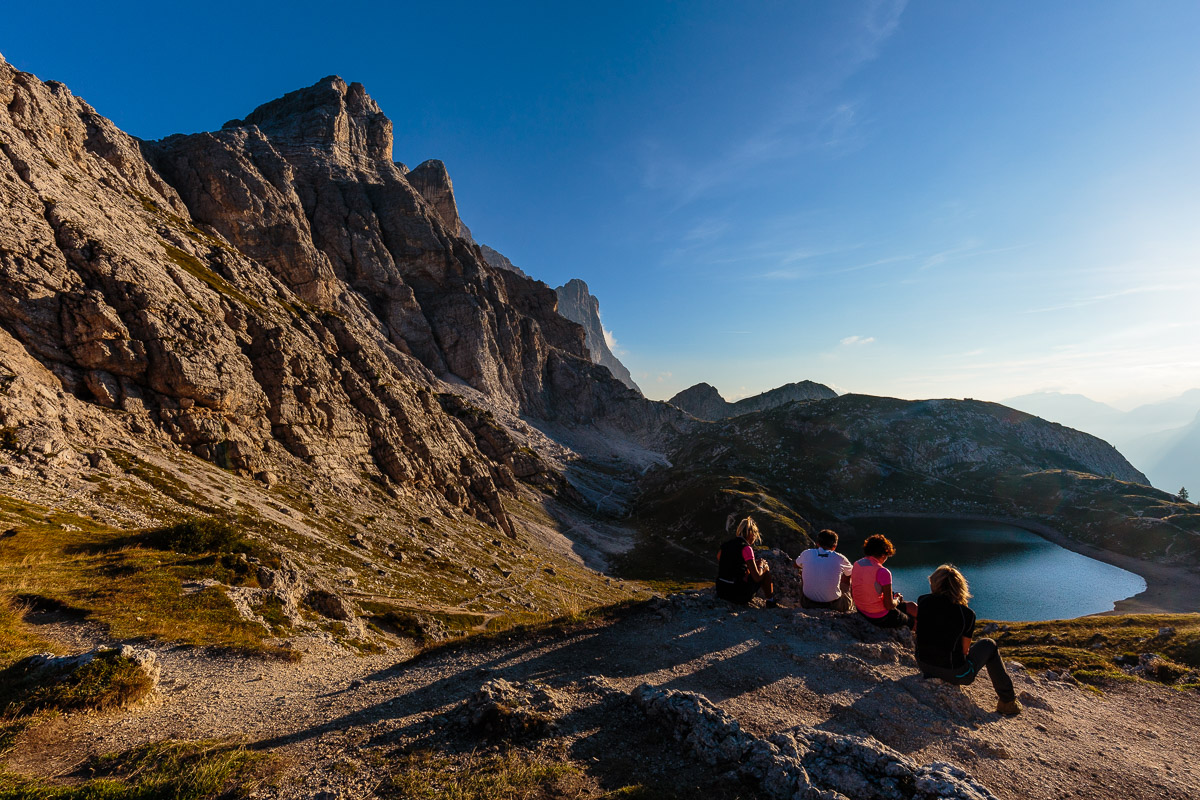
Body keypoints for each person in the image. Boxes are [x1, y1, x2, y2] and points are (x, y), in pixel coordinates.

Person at [915, 565, 1021, 716]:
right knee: (989, 644)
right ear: (960, 587)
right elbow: (965, 651)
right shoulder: (966, 614)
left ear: (935, 584)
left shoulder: (923, 601)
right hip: (955, 674)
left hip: (923, 664)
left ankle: (1007, 701)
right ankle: (1008, 702)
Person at [850, 534, 917, 629]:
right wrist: (897, 600)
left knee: (912, 606)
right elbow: (889, 605)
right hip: (879, 617)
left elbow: (853, 589)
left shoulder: (857, 564)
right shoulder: (882, 571)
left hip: (861, 610)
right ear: (883, 554)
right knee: (913, 621)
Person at [716, 517, 778, 608]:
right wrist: (761, 565)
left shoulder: (726, 545)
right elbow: (757, 578)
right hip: (738, 596)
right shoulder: (746, 548)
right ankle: (770, 601)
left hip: (721, 591)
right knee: (765, 568)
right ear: (751, 534)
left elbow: (719, 558)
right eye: (755, 535)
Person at [794, 529, 854, 611]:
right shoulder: (840, 558)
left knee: (802, 572)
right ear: (834, 546)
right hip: (834, 606)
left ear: (817, 543)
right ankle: (848, 605)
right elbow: (851, 573)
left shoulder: (807, 553)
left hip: (807, 603)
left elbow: (796, 565)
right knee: (847, 576)